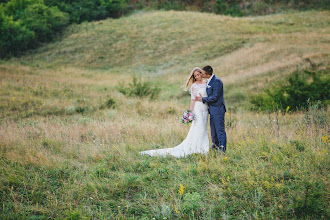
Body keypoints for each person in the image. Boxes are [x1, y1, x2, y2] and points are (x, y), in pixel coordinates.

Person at [140, 67, 209, 158]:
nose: (197, 76)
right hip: (198, 109)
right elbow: (192, 100)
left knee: (204, 128)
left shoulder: (206, 83)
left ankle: (203, 147)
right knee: (199, 127)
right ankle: (198, 148)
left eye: (198, 74)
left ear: (202, 74)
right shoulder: (194, 86)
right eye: (195, 76)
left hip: (205, 109)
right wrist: (190, 112)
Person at [195, 65, 227, 153]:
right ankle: (215, 147)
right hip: (212, 110)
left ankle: (222, 149)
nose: (201, 74)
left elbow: (215, 97)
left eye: (202, 73)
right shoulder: (209, 81)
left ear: (207, 73)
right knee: (213, 131)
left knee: (220, 130)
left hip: (218, 110)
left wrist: (203, 99)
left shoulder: (216, 81)